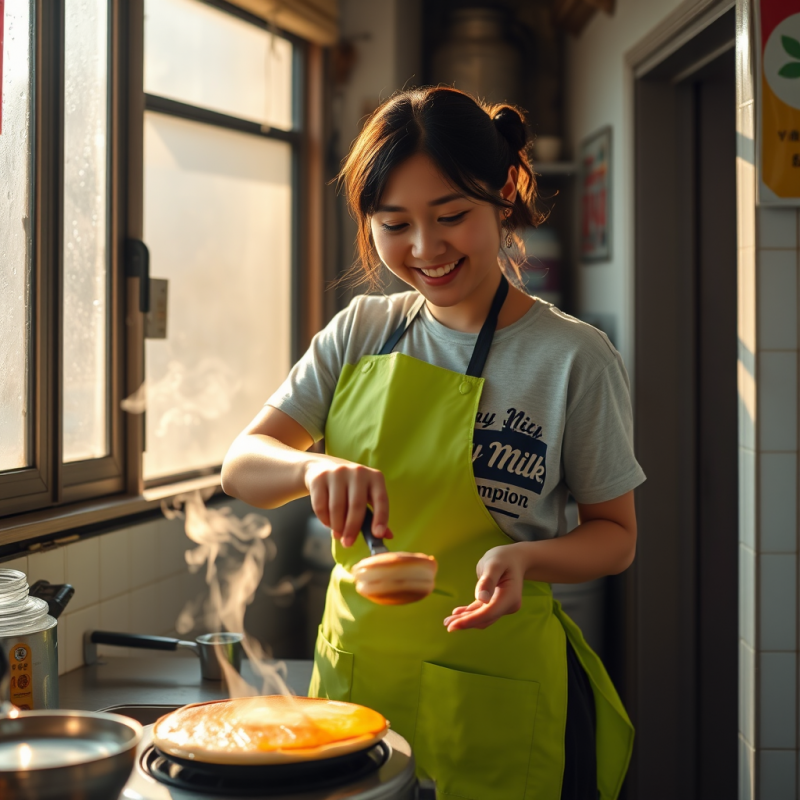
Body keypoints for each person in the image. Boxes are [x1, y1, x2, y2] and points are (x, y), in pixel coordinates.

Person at [221, 86, 645, 800]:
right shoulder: (360, 331)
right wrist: (313, 465)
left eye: (451, 216)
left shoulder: (573, 357)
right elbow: (243, 467)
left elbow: (616, 535)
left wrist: (529, 556)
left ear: (505, 193)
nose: (425, 249)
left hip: (498, 694)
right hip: (356, 690)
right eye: (395, 224)